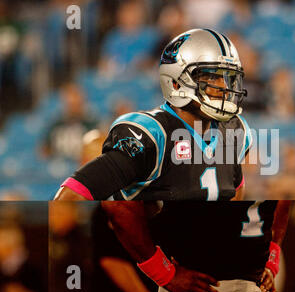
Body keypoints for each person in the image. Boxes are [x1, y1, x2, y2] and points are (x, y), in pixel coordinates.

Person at [55, 29, 252, 201]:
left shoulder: (233, 130)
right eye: (211, 76)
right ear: (176, 82)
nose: (223, 87)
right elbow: (72, 195)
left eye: (227, 78)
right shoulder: (152, 135)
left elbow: (234, 193)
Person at [101, 200, 291, 292]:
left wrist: (163, 272)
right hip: (232, 285)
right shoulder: (260, 146)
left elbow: (118, 204)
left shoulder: (170, 140)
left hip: (198, 285)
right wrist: (272, 254)